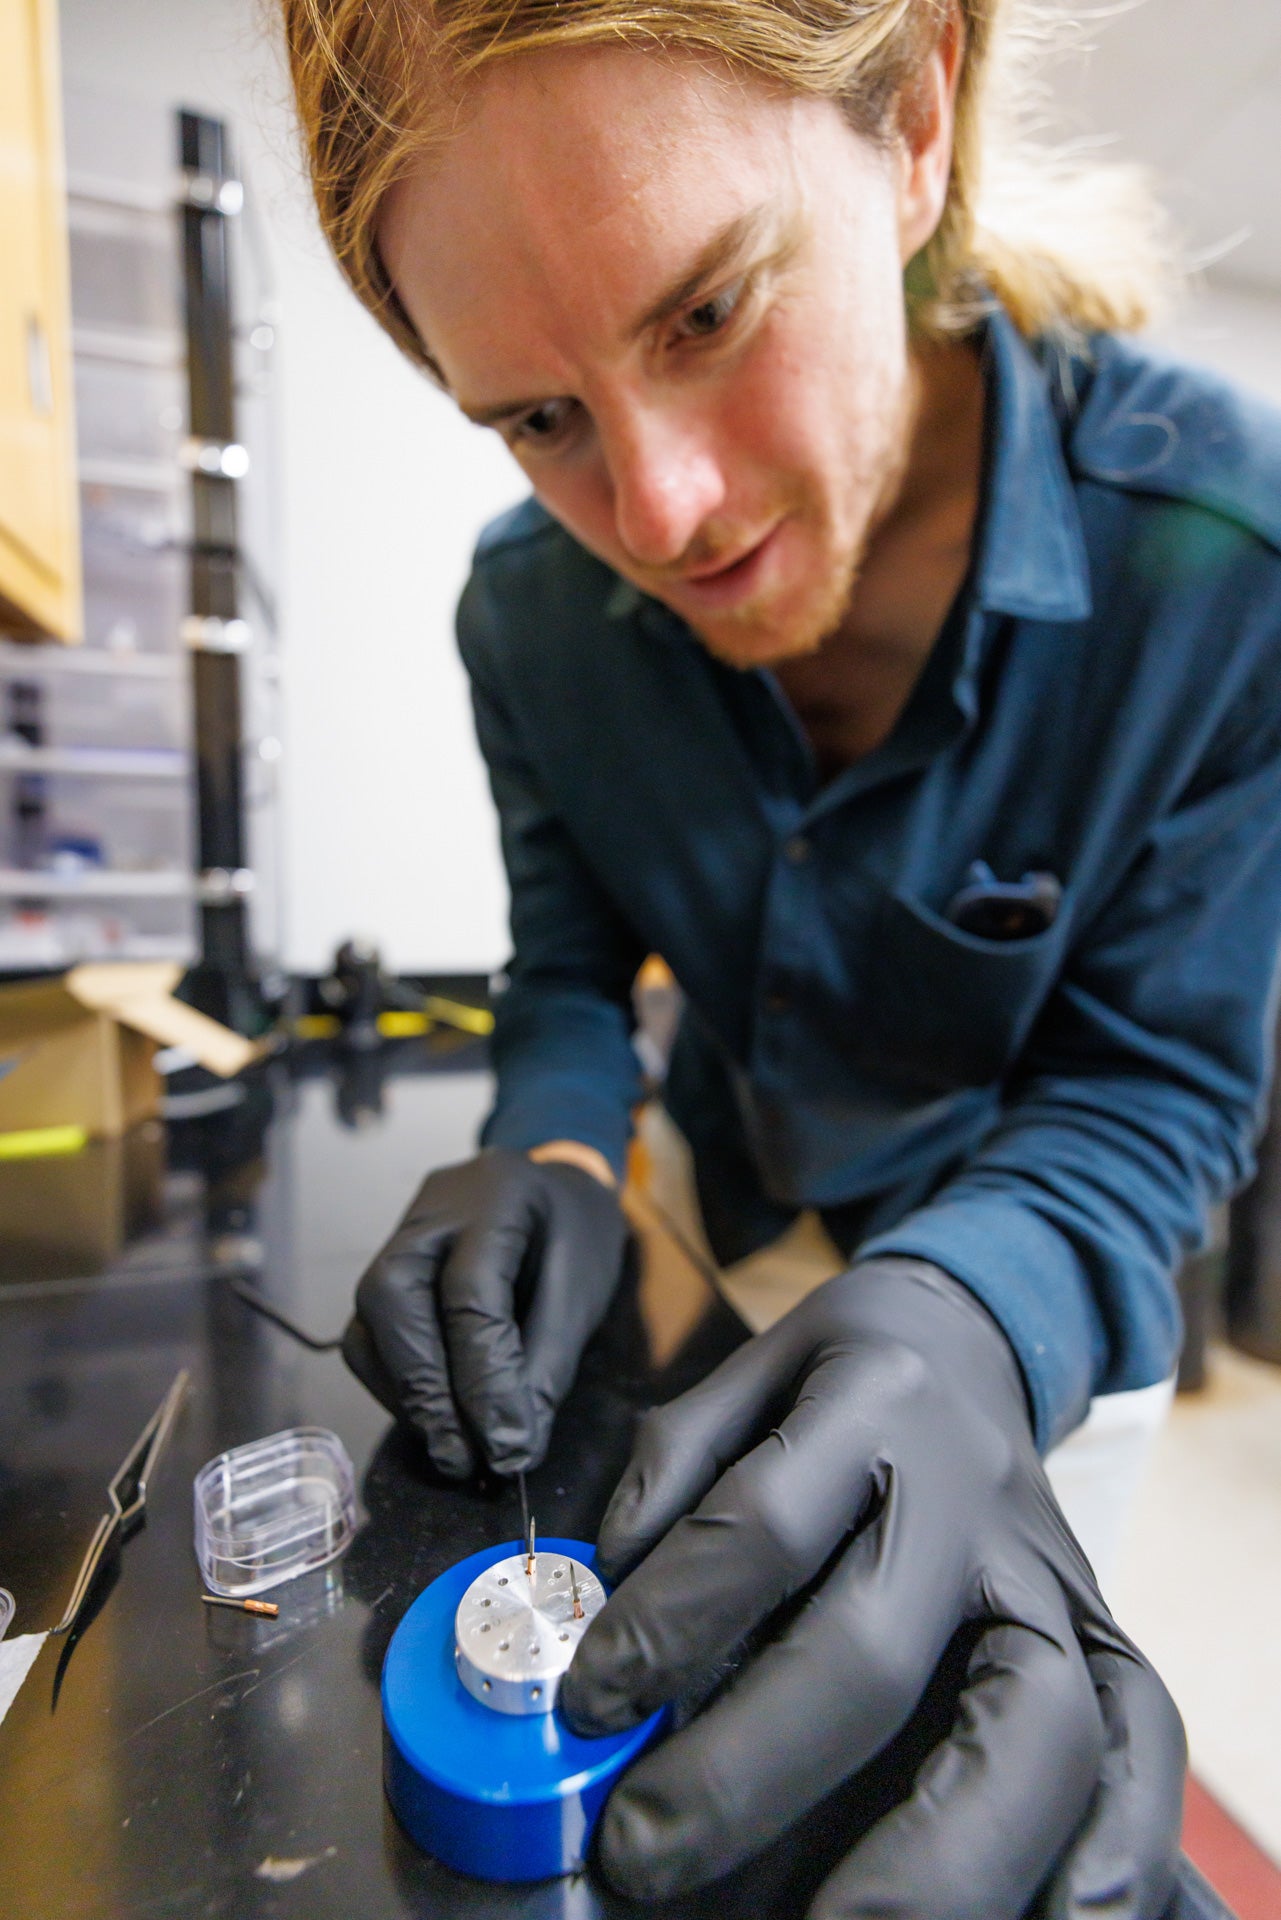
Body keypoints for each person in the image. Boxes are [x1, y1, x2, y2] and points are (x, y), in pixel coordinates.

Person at [284, 0, 1281, 1913]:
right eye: (540, 417)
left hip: (1029, 1286)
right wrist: (557, 1147)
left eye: (708, 313)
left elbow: (1151, 1089)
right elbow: (572, 972)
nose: (659, 515)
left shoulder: (1223, 558)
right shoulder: (529, 623)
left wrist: (974, 1314)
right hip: (737, 1214)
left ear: (914, 115)